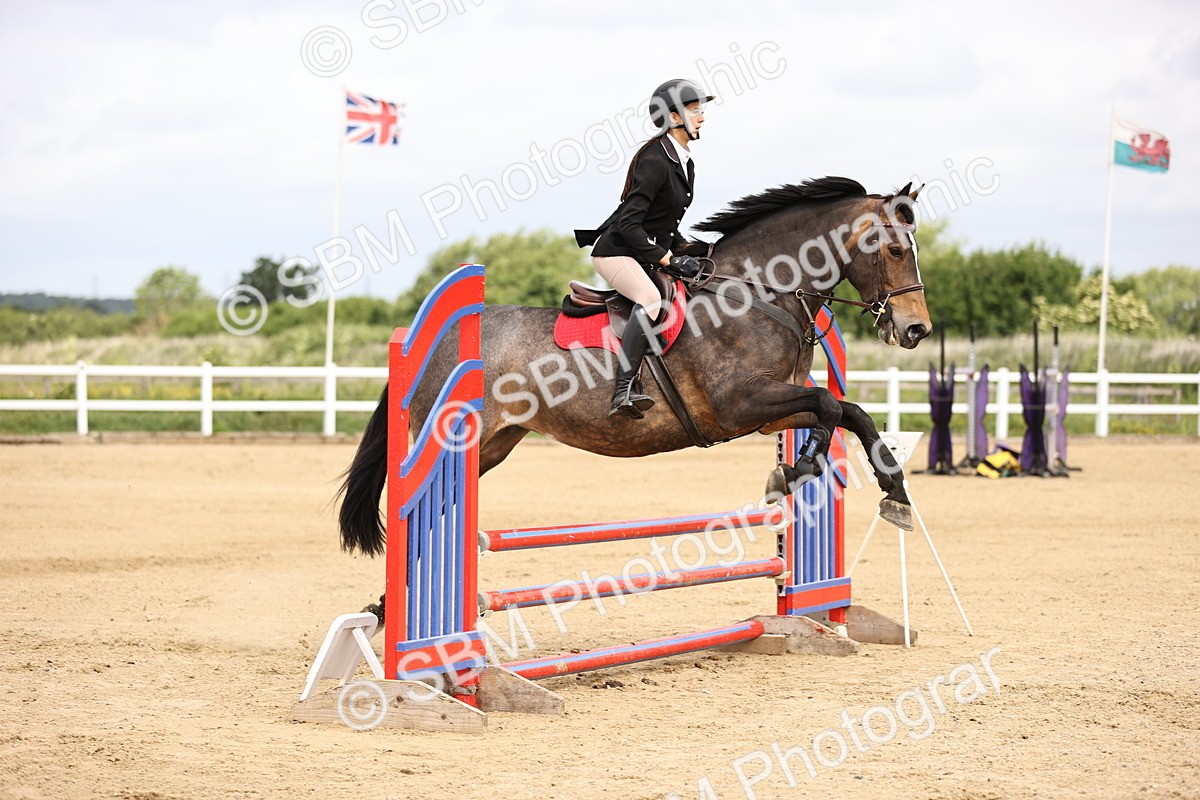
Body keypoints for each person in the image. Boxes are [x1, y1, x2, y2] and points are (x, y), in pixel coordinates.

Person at [574, 79, 713, 419]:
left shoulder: (685, 162)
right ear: (674, 117)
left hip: (640, 251)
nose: (702, 117)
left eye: (701, 110)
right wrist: (668, 258)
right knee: (650, 298)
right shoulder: (655, 159)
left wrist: (695, 249)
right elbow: (629, 224)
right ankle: (623, 391)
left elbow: (664, 223)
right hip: (615, 252)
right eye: (695, 110)